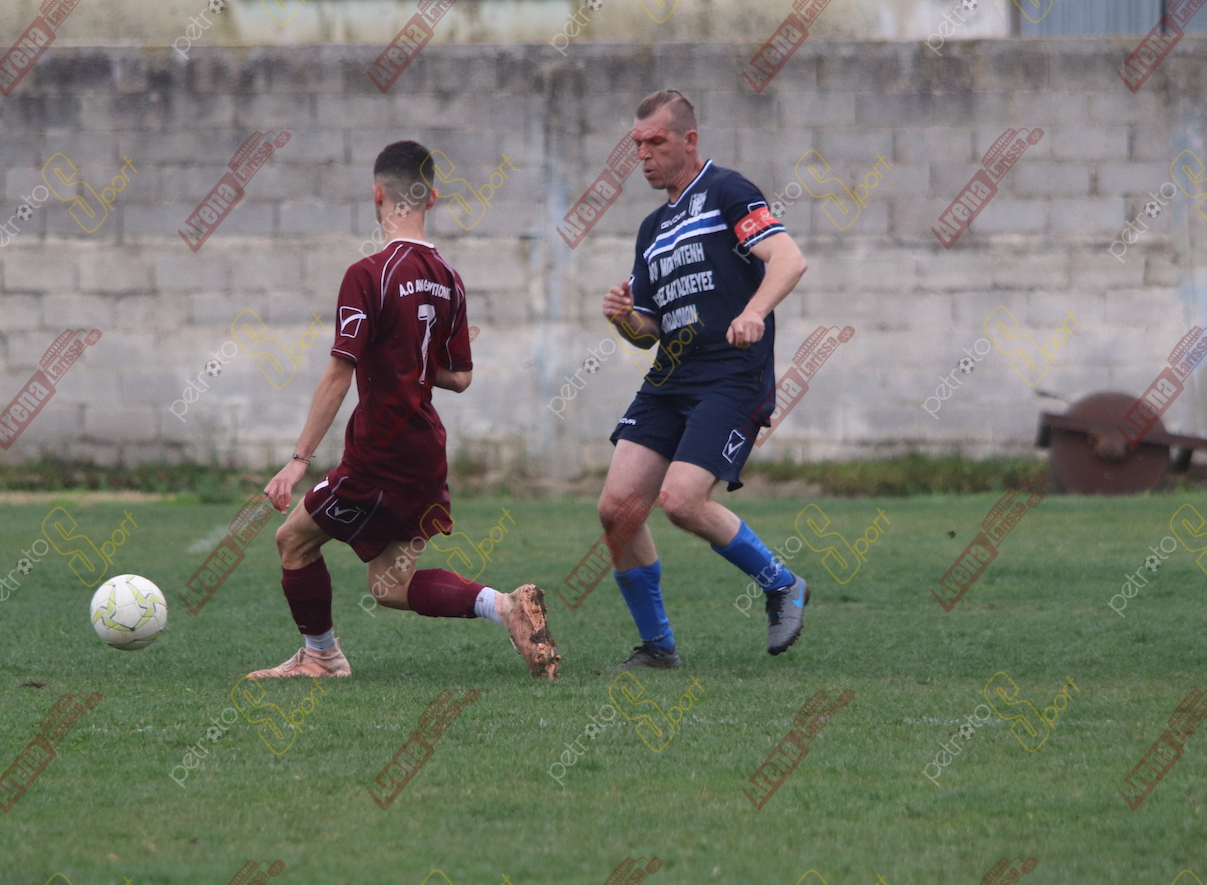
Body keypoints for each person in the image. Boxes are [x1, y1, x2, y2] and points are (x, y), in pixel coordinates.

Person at [252, 140, 560, 680]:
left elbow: (339, 372)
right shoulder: (449, 279)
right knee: (389, 585)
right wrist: (408, 360)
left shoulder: (368, 273)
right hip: (425, 452)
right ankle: (505, 605)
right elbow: (460, 377)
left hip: (380, 453)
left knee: (292, 541)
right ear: (431, 199)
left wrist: (298, 461)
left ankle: (322, 657)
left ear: (378, 195)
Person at [599, 90, 811, 668]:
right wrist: (625, 317)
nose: (643, 155)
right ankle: (658, 648)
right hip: (671, 376)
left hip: (731, 376)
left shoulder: (727, 192)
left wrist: (754, 312)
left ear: (689, 140)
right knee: (617, 509)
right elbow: (648, 332)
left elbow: (789, 259)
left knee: (681, 500)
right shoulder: (652, 228)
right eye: (637, 144)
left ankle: (783, 584)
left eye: (656, 142)